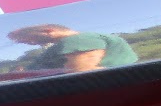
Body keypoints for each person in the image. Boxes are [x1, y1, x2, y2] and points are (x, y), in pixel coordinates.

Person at [7, 22, 138, 72]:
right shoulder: (73, 42)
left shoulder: (77, 40)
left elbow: (81, 71)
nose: (30, 43)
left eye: (30, 38)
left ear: (48, 31)